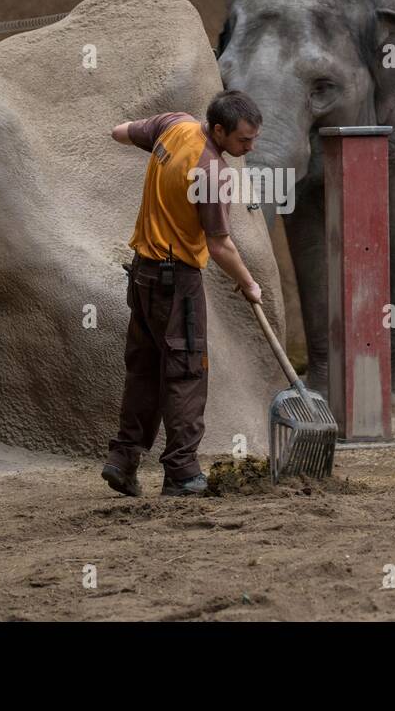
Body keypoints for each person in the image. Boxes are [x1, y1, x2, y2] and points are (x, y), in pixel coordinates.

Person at [102, 89, 264, 497]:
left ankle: (122, 460)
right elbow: (220, 244)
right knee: (186, 372)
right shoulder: (212, 171)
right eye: (243, 140)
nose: (249, 147)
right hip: (177, 284)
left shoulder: (174, 125)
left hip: (141, 275)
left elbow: (120, 132)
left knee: (144, 370)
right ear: (220, 129)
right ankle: (182, 472)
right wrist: (248, 283)